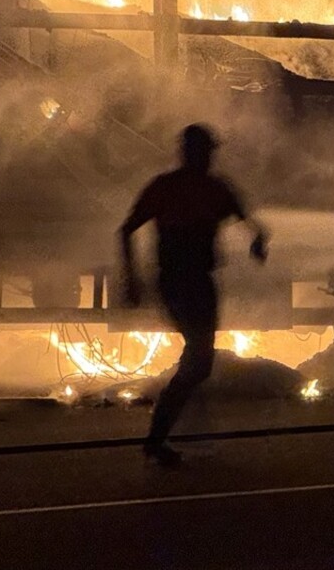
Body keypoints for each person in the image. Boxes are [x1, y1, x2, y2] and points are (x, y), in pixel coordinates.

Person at [120, 123, 267, 465]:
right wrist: (131, 279)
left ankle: (169, 427)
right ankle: (158, 438)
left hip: (198, 282)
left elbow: (250, 222)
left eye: (206, 151)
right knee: (199, 357)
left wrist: (258, 241)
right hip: (176, 282)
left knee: (200, 361)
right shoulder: (167, 188)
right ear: (188, 152)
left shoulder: (214, 188)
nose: (205, 157)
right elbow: (126, 230)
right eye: (200, 151)